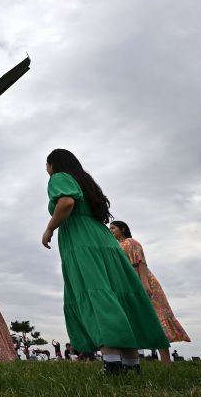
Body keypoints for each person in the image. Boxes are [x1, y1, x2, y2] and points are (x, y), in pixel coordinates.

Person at [41, 149, 169, 375]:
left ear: (53, 164)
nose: (46, 169)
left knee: (95, 292)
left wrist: (50, 228)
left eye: (46, 164)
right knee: (119, 294)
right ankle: (132, 364)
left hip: (81, 240)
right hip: (103, 239)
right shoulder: (86, 181)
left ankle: (112, 363)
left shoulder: (59, 178)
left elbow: (66, 202)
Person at [109, 221, 191, 365]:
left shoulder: (131, 242)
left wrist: (145, 284)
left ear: (122, 229)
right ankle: (129, 362)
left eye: (113, 228)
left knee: (156, 318)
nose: (111, 230)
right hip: (127, 284)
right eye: (109, 228)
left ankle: (166, 362)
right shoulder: (114, 246)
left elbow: (140, 262)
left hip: (141, 280)